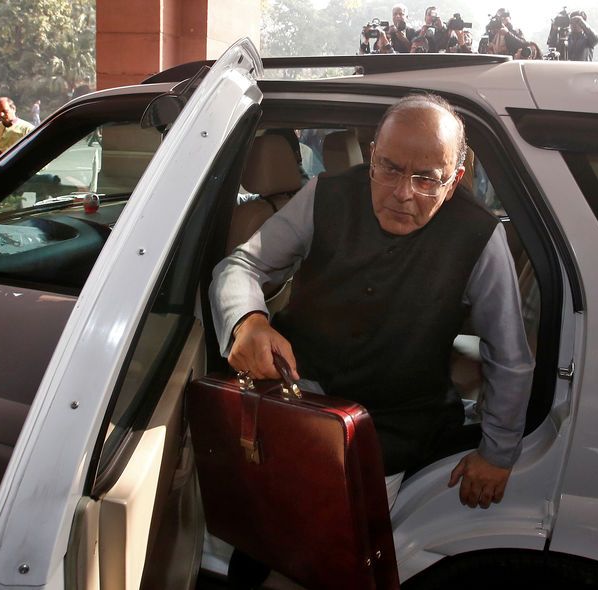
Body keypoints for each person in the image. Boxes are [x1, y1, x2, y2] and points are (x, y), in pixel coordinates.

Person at [211, 93, 535, 510]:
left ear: (453, 182)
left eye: (426, 179)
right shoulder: (325, 194)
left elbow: (509, 356)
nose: (403, 193)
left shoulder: (479, 237)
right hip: (296, 403)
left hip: (392, 433)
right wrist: (249, 321)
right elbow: (242, 265)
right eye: (391, 168)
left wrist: (497, 453)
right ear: (372, 156)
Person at [0, 97, 35, 167]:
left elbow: (36, 156)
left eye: (4, 111)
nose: (1, 114)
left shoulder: (28, 129)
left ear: (13, 108)